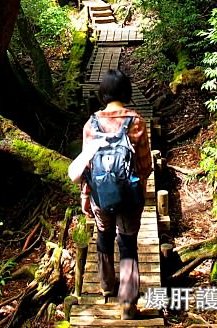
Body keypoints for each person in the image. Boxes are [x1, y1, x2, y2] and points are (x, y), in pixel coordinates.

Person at [67, 68, 152, 320]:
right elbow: (145, 166)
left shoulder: (90, 124)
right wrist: (141, 190)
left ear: (103, 93)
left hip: (101, 196)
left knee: (103, 237)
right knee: (127, 244)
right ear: (126, 92)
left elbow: (87, 167)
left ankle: (106, 284)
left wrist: (85, 196)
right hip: (130, 195)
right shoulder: (136, 121)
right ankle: (128, 303)